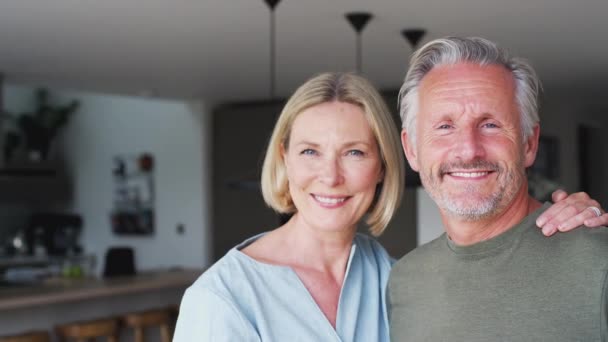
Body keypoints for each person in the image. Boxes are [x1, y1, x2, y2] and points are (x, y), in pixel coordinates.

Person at [174, 72, 605, 342]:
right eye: (309, 152)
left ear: (384, 165)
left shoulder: (395, 276)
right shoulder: (221, 300)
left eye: (355, 153)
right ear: (284, 159)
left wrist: (580, 222)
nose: (330, 176)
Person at [388, 37, 608, 341]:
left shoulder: (598, 261)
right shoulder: (404, 280)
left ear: (529, 144)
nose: (468, 150)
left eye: (490, 124)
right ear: (411, 150)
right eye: (444, 126)